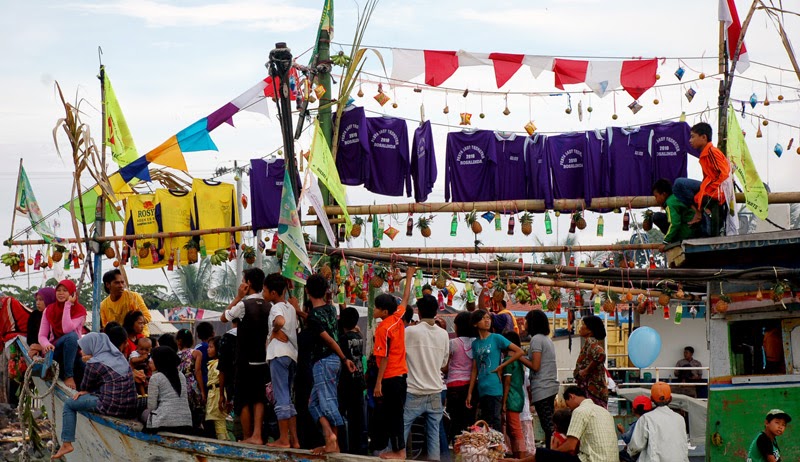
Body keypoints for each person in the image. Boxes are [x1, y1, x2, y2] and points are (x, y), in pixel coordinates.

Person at [51, 333, 138, 459]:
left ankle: (66, 443)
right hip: (130, 406)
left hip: (112, 406)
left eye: (84, 348)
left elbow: (85, 386)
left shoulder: (94, 363)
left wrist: (86, 389)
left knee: (69, 404)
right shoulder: (120, 357)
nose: (82, 351)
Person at [305, 273, 357, 455]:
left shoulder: (313, 317)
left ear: (306, 291)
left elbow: (329, 340)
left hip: (324, 361)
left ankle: (332, 441)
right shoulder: (330, 310)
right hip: (333, 361)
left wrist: (345, 358)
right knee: (313, 403)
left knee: (327, 403)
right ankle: (330, 438)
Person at [501, 386, 618, 462]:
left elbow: (570, 446)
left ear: (571, 396)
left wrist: (551, 454)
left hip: (591, 460)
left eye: (568, 404)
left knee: (545, 453)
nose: (569, 408)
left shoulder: (580, 411)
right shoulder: (603, 411)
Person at [220, 267, 269, 445]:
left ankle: (249, 436)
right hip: (262, 358)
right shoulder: (268, 305)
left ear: (247, 283)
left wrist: (238, 296)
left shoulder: (243, 305)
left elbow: (223, 318)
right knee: (259, 397)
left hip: (244, 358)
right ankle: (257, 434)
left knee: (244, 400)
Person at [370, 269, 414, 459]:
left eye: (376, 308)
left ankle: (400, 452)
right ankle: (396, 449)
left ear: (384, 312)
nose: (374, 310)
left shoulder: (383, 328)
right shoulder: (397, 319)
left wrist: (378, 383)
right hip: (400, 376)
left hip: (389, 377)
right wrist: (409, 276)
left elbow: (384, 357)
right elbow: (404, 301)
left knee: (393, 416)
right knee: (395, 415)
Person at [403, 293, 450, 462]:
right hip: (436, 390)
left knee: (403, 428)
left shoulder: (410, 332)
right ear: (436, 311)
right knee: (433, 433)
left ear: (419, 312)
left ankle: (396, 458)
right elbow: (444, 362)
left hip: (414, 390)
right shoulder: (443, 334)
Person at [466, 309, 524, 432]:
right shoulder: (475, 344)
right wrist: (470, 392)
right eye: (483, 318)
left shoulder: (496, 338)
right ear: (475, 323)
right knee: (485, 423)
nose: (487, 320)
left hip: (494, 387)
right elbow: (474, 369)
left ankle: (498, 449)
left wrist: (502, 366)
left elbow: (519, 351)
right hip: (482, 387)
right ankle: (491, 450)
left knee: (495, 421)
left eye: (488, 318)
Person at [673, 122, 731, 237]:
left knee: (679, 183)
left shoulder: (712, 152)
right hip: (709, 189)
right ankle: (698, 212)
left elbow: (723, 175)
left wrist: (708, 194)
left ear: (704, 137)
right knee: (678, 187)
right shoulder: (705, 154)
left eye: (693, 136)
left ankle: (700, 212)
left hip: (716, 192)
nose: (690, 140)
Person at [263, 273, 300, 449]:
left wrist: (276, 330)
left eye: (264, 290)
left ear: (273, 292)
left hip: (278, 354)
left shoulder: (275, 307)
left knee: (281, 397)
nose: (263, 293)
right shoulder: (291, 308)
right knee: (288, 398)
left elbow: (279, 320)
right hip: (292, 355)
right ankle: (295, 440)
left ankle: (283, 440)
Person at [520, 310, 559, 449]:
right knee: (550, 425)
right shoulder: (546, 339)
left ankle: (553, 452)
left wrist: (518, 357)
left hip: (542, 387)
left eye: (526, 320)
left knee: (548, 427)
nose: (524, 323)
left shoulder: (536, 339)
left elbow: (535, 366)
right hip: (550, 385)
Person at [38, 279, 86, 390]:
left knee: (85, 368)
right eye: (58, 290)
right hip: (56, 350)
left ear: (72, 293)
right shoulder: (49, 310)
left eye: (65, 290)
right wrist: (46, 345)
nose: (61, 293)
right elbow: (42, 335)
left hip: (73, 352)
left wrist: (68, 305)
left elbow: (66, 328)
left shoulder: (80, 311)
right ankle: (68, 376)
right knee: (72, 336)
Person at [627, 382, 689, 462]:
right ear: (670, 398)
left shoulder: (646, 418)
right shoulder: (680, 419)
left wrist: (629, 451)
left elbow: (636, 446)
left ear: (651, 399)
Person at [143, 346, 193, 435]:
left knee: (144, 413)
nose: (150, 361)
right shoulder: (181, 375)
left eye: (153, 359)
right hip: (186, 421)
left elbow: (151, 407)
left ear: (160, 361)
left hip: (164, 422)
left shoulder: (155, 378)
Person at [338, 307, 367, 455]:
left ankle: (343, 446)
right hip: (359, 380)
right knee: (358, 417)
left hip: (346, 381)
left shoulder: (342, 339)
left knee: (341, 414)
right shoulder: (360, 336)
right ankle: (360, 448)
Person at [445, 311, 476, 441]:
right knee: (469, 419)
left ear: (458, 326)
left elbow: (445, 366)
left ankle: (454, 443)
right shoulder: (476, 343)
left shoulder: (453, 343)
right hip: (471, 386)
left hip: (454, 386)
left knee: (454, 417)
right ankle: (467, 445)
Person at [100, 269, 152, 336]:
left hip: (140, 338)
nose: (121, 285)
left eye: (122, 282)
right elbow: (105, 327)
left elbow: (147, 316)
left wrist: (135, 324)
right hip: (120, 341)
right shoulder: (103, 305)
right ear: (107, 284)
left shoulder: (133, 296)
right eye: (117, 283)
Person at [652, 179, 697, 252]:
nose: (656, 200)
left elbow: (675, 223)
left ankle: (673, 240)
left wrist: (665, 242)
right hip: (692, 228)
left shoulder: (670, 203)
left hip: (687, 231)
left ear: (664, 194)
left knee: (657, 217)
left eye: (656, 196)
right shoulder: (675, 197)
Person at [573, 315, 608, 408]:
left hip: (593, 390)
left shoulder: (591, 342)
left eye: (583, 324)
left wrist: (586, 371)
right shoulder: (590, 342)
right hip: (593, 389)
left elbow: (601, 354)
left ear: (590, 330)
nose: (580, 327)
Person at [502, 331, 527, 459]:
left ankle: (520, 458)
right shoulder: (519, 361)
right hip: (518, 396)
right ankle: (518, 457)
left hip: (511, 398)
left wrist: (504, 402)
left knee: (515, 430)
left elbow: (507, 383)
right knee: (514, 430)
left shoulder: (508, 361)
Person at [176, 328, 206, 428]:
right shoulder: (196, 353)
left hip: (179, 386)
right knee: (196, 413)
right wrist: (202, 391)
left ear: (178, 341)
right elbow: (197, 371)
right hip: (192, 386)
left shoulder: (175, 355)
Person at [205, 336, 228, 440]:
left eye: (211, 347)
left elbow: (221, 379)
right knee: (216, 421)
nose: (208, 349)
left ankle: (223, 441)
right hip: (213, 394)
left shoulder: (218, 364)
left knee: (219, 421)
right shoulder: (213, 363)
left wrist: (222, 396)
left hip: (217, 393)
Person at [27, 288, 56, 360]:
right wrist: (35, 348)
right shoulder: (34, 315)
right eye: (37, 300)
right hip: (39, 350)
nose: (38, 303)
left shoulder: (56, 315)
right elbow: (30, 337)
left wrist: (41, 347)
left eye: (41, 300)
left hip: (54, 349)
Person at [194, 321, 215, 390]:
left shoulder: (197, 349)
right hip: (214, 382)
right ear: (213, 333)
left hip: (201, 382)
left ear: (198, 336)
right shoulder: (216, 347)